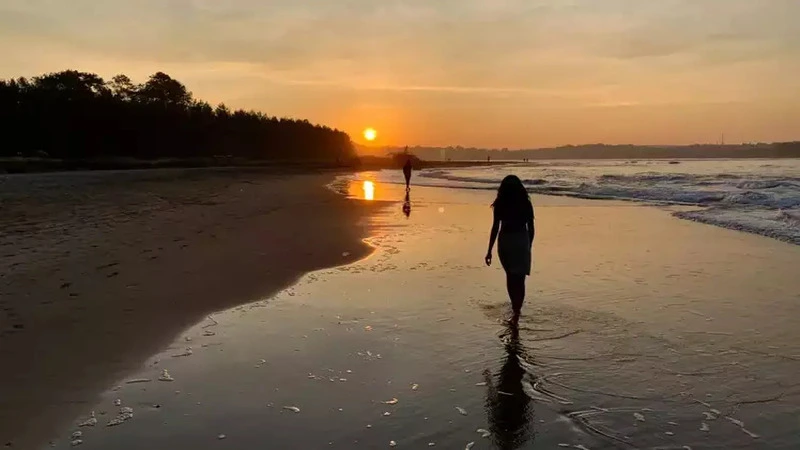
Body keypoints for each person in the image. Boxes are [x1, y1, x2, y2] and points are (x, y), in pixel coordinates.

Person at [484, 175, 534, 324]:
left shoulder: (500, 204)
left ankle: (514, 308)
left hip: (505, 240)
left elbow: (495, 228)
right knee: (520, 279)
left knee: (510, 277)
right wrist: (528, 245)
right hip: (521, 239)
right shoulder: (526, 203)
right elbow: (531, 228)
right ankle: (517, 311)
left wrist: (489, 250)